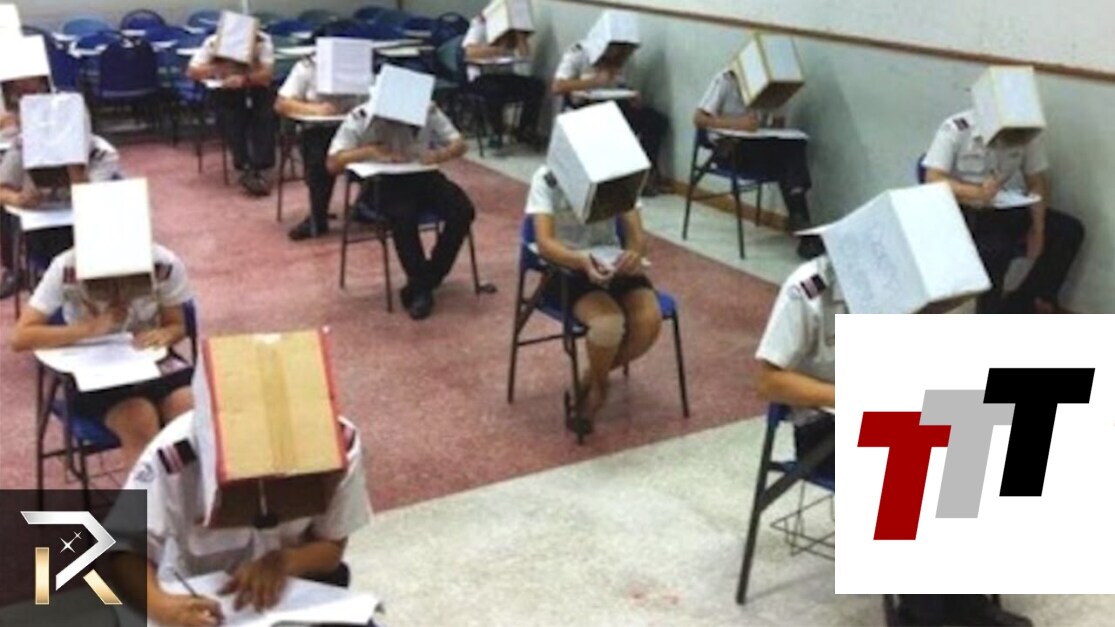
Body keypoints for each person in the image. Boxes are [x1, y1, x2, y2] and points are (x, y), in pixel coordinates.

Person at [754, 186, 1032, 627]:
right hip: (826, 424)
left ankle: (968, 601)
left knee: (976, 446)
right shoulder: (806, 290)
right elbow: (768, 380)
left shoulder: (895, 284)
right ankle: (921, 612)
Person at [104, 337, 372, 627]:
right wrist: (162, 608)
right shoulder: (174, 456)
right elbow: (116, 555)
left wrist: (284, 562)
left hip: (298, 587)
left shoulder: (337, 447)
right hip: (206, 595)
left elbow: (332, 545)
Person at [9, 186, 193, 468]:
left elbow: (177, 324)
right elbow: (21, 337)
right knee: (139, 417)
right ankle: (145, 496)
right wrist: (89, 329)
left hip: (149, 361)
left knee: (188, 412)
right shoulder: (65, 267)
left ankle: (184, 492)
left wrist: (166, 333)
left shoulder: (164, 263)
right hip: (93, 373)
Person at [527, 104, 662, 437]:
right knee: (608, 324)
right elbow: (545, 243)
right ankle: (597, 393)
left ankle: (589, 379)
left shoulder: (616, 173)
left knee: (648, 322)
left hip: (612, 262)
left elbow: (637, 236)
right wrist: (581, 261)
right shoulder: (547, 178)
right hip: (568, 267)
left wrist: (634, 253)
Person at [923, 67, 1084, 314]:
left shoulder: (1027, 133)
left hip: (1001, 205)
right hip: (961, 209)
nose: (1014, 139)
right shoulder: (955, 130)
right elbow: (932, 178)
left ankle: (1027, 300)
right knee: (996, 250)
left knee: (1068, 230)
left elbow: (1036, 181)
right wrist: (976, 193)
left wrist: (1037, 229)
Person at [327, 67, 476, 321]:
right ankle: (420, 289)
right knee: (403, 216)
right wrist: (368, 151)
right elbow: (332, 164)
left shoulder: (427, 110)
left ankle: (429, 277)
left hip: (422, 175)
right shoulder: (360, 116)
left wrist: (440, 155)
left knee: (462, 209)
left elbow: (459, 143)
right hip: (382, 182)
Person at [694, 67, 823, 259]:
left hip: (757, 146)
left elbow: (777, 125)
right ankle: (804, 228)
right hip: (729, 149)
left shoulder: (773, 85)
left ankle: (800, 221)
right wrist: (737, 124)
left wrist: (774, 116)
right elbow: (698, 118)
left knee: (794, 147)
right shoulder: (726, 80)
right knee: (786, 165)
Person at [0, 98, 121, 300]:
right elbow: (2, 190)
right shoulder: (24, 144)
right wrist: (19, 199)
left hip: (83, 226)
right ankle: (22, 273)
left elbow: (90, 199)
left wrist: (74, 165)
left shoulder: (102, 153)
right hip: (40, 224)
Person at [551, 11, 668, 196]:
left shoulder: (623, 61)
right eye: (615, 47)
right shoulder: (578, 53)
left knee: (655, 120)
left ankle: (645, 175)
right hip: (583, 107)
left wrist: (632, 96)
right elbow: (557, 86)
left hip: (614, 106)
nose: (618, 53)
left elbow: (623, 85)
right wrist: (594, 82)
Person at [275, 53, 363, 241]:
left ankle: (369, 205)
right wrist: (315, 110)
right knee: (318, 152)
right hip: (321, 128)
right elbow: (281, 104)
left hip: (357, 127)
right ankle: (318, 215)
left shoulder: (362, 61)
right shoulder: (307, 67)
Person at [187, 20, 277, 197]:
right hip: (225, 91)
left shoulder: (263, 41)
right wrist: (219, 68)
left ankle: (262, 167)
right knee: (232, 118)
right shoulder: (213, 42)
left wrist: (245, 79)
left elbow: (267, 74)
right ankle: (243, 165)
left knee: (266, 115)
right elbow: (192, 71)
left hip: (255, 87)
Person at [0, 71, 53, 299]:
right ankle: (13, 269)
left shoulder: (59, 101)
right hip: (12, 158)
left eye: (31, 78)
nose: (24, 82)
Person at [461, 11, 544, 148]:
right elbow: (470, 52)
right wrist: (500, 50)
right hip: (480, 76)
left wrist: (520, 36)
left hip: (504, 74)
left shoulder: (513, 26)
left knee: (536, 86)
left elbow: (525, 55)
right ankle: (496, 132)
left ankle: (525, 129)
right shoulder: (481, 23)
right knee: (494, 90)